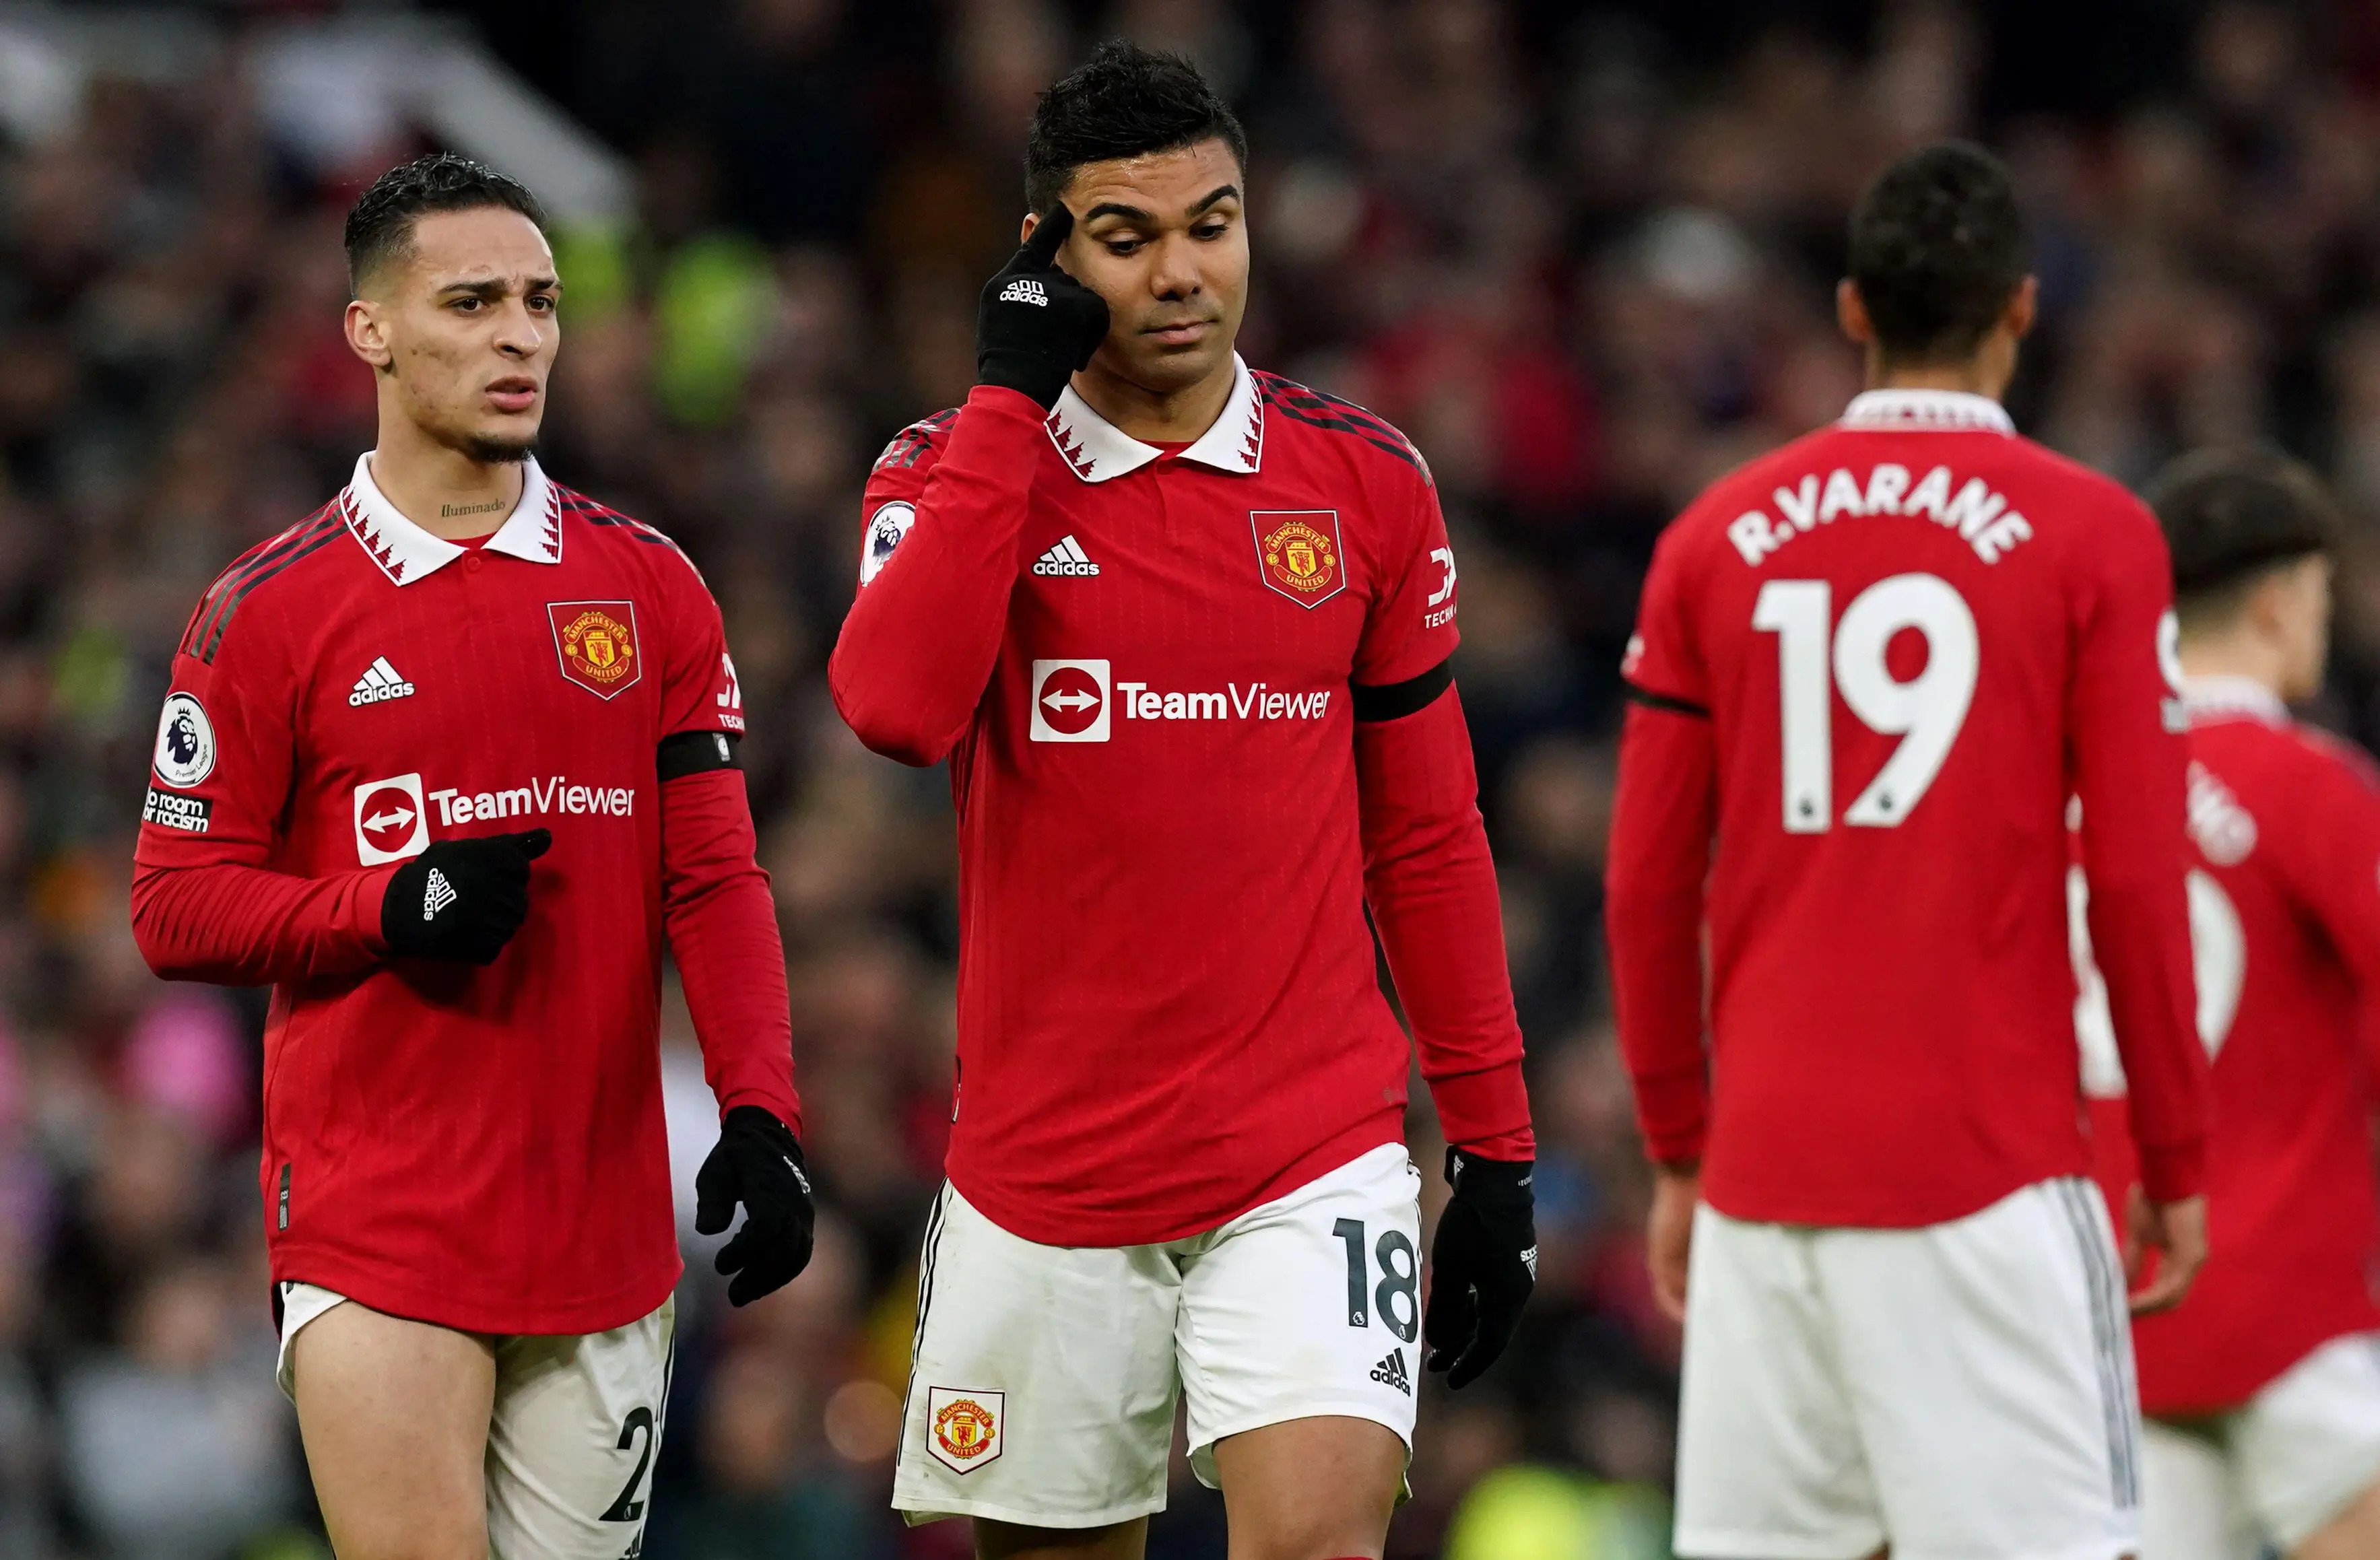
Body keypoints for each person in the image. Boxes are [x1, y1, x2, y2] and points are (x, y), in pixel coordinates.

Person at [828, 42, 1536, 1560]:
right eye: (1128, 238)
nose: (1180, 273)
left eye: (1210, 225)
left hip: (1311, 1154)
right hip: (1046, 1174)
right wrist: (1009, 400)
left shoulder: (1362, 487)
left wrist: (1494, 1143)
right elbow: (892, 709)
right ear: (1049, 256)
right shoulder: (952, 473)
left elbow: (1426, 835)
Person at [128, 153, 815, 1560]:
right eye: (474, 301)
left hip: (603, 1230)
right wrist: (391, 905)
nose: (520, 335)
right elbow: (172, 906)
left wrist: (761, 1110)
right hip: (375, 1218)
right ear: (370, 330)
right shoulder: (266, 609)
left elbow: (715, 880)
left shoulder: (652, 585)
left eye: (543, 302)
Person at [1604, 139, 2212, 1560]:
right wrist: (2175, 1160)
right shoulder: (2097, 539)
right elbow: (2131, 877)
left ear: (1851, 311)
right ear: (2021, 309)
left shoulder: (1712, 538)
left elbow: (1643, 886)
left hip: (1764, 1185)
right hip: (1985, 1179)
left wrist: (1681, 1152)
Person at [2071, 450, 2380, 1560]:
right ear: (2278, 598)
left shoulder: (2068, 796)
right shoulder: (2308, 788)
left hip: (2106, 1311)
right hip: (2288, 1298)